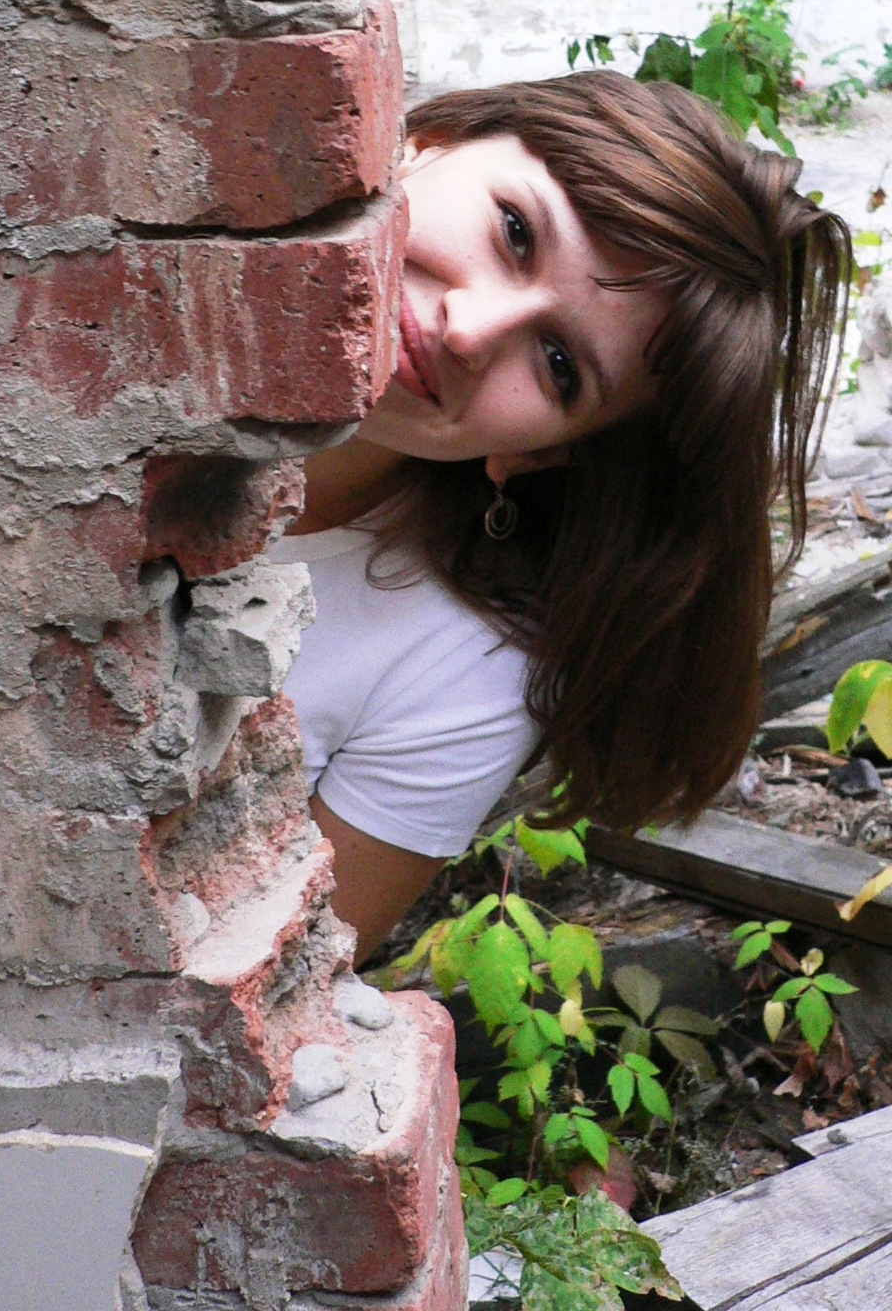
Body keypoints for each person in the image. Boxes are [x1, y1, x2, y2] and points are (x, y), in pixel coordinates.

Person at [260, 71, 850, 960]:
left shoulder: (463, 668)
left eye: (559, 366)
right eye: (515, 231)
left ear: (538, 455)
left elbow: (274, 987)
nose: (470, 330)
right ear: (426, 143)